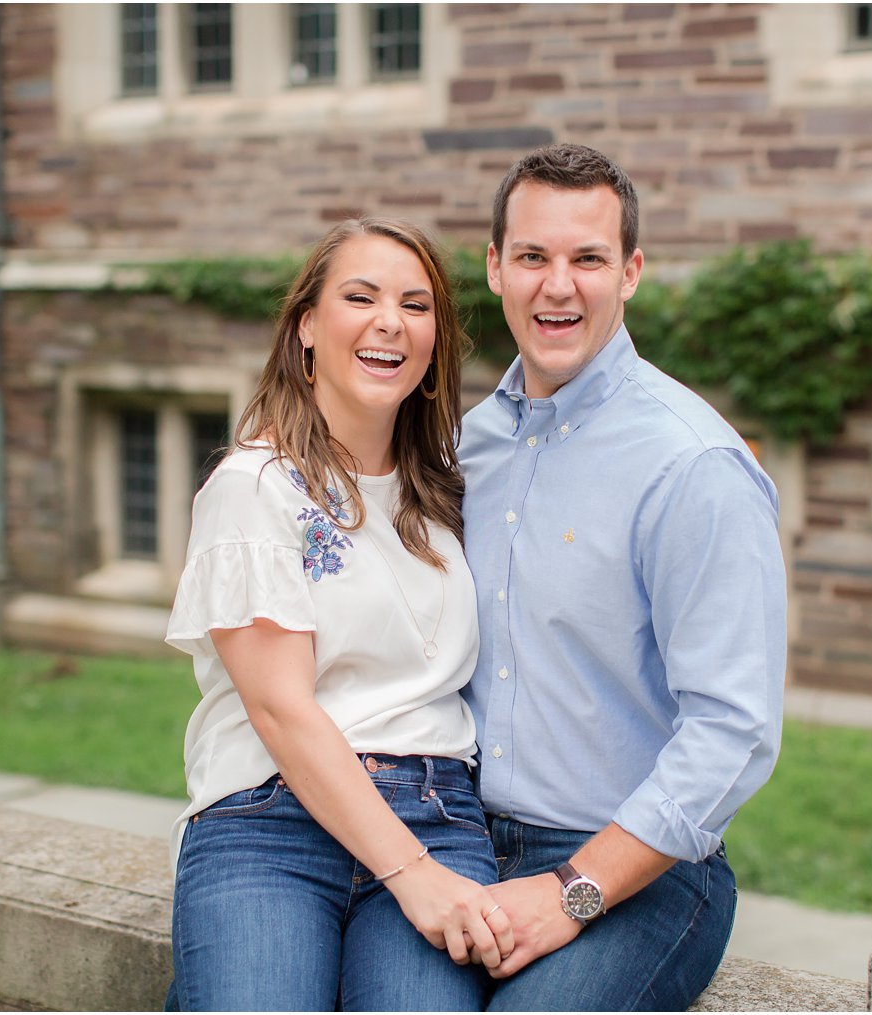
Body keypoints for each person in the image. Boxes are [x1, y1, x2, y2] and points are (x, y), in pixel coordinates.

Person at [458, 143, 787, 1010]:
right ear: (495, 267)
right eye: (532, 256)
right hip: (454, 840)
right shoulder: (468, 448)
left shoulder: (693, 464)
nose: (556, 285)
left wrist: (574, 888)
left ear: (631, 272)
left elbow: (733, 729)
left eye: (588, 259)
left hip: (638, 876)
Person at [164, 217, 513, 1012]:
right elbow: (281, 708)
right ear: (307, 329)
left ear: (432, 347)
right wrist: (411, 874)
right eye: (361, 297)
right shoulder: (255, 488)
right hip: (271, 818)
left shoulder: (449, 493)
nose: (390, 319)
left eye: (416, 305)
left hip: (437, 810)